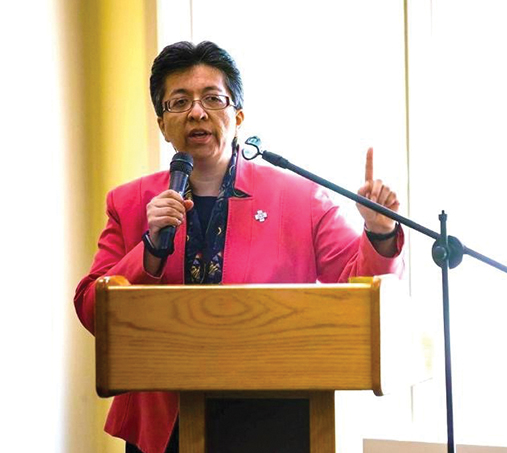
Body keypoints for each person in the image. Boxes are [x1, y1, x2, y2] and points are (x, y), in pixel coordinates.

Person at [74, 41, 404, 453]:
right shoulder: (129, 203)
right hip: (163, 424)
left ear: (238, 115)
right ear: (162, 124)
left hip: (274, 416)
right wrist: (151, 247)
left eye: (213, 98)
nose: (197, 112)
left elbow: (362, 293)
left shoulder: (300, 197)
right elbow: (92, 309)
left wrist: (379, 232)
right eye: (179, 102)